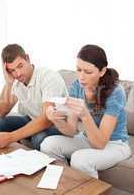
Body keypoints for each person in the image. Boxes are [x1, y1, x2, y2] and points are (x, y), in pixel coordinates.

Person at [41, 44, 132, 178]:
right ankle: (64, 184)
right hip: (88, 138)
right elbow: (71, 131)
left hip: (115, 144)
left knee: (79, 159)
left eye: (88, 72)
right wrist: (56, 119)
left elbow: (100, 143)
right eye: (78, 70)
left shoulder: (116, 92)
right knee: (48, 144)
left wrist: (85, 115)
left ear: (102, 71)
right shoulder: (77, 86)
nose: (81, 77)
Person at [0, 44, 68, 150]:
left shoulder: (48, 77)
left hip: (58, 124)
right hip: (33, 119)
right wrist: (8, 83)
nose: (17, 74)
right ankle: (14, 157)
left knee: (38, 138)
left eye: (20, 66)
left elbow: (47, 119)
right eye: (12, 70)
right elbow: (0, 112)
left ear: (27, 58)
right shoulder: (17, 80)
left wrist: (11, 137)